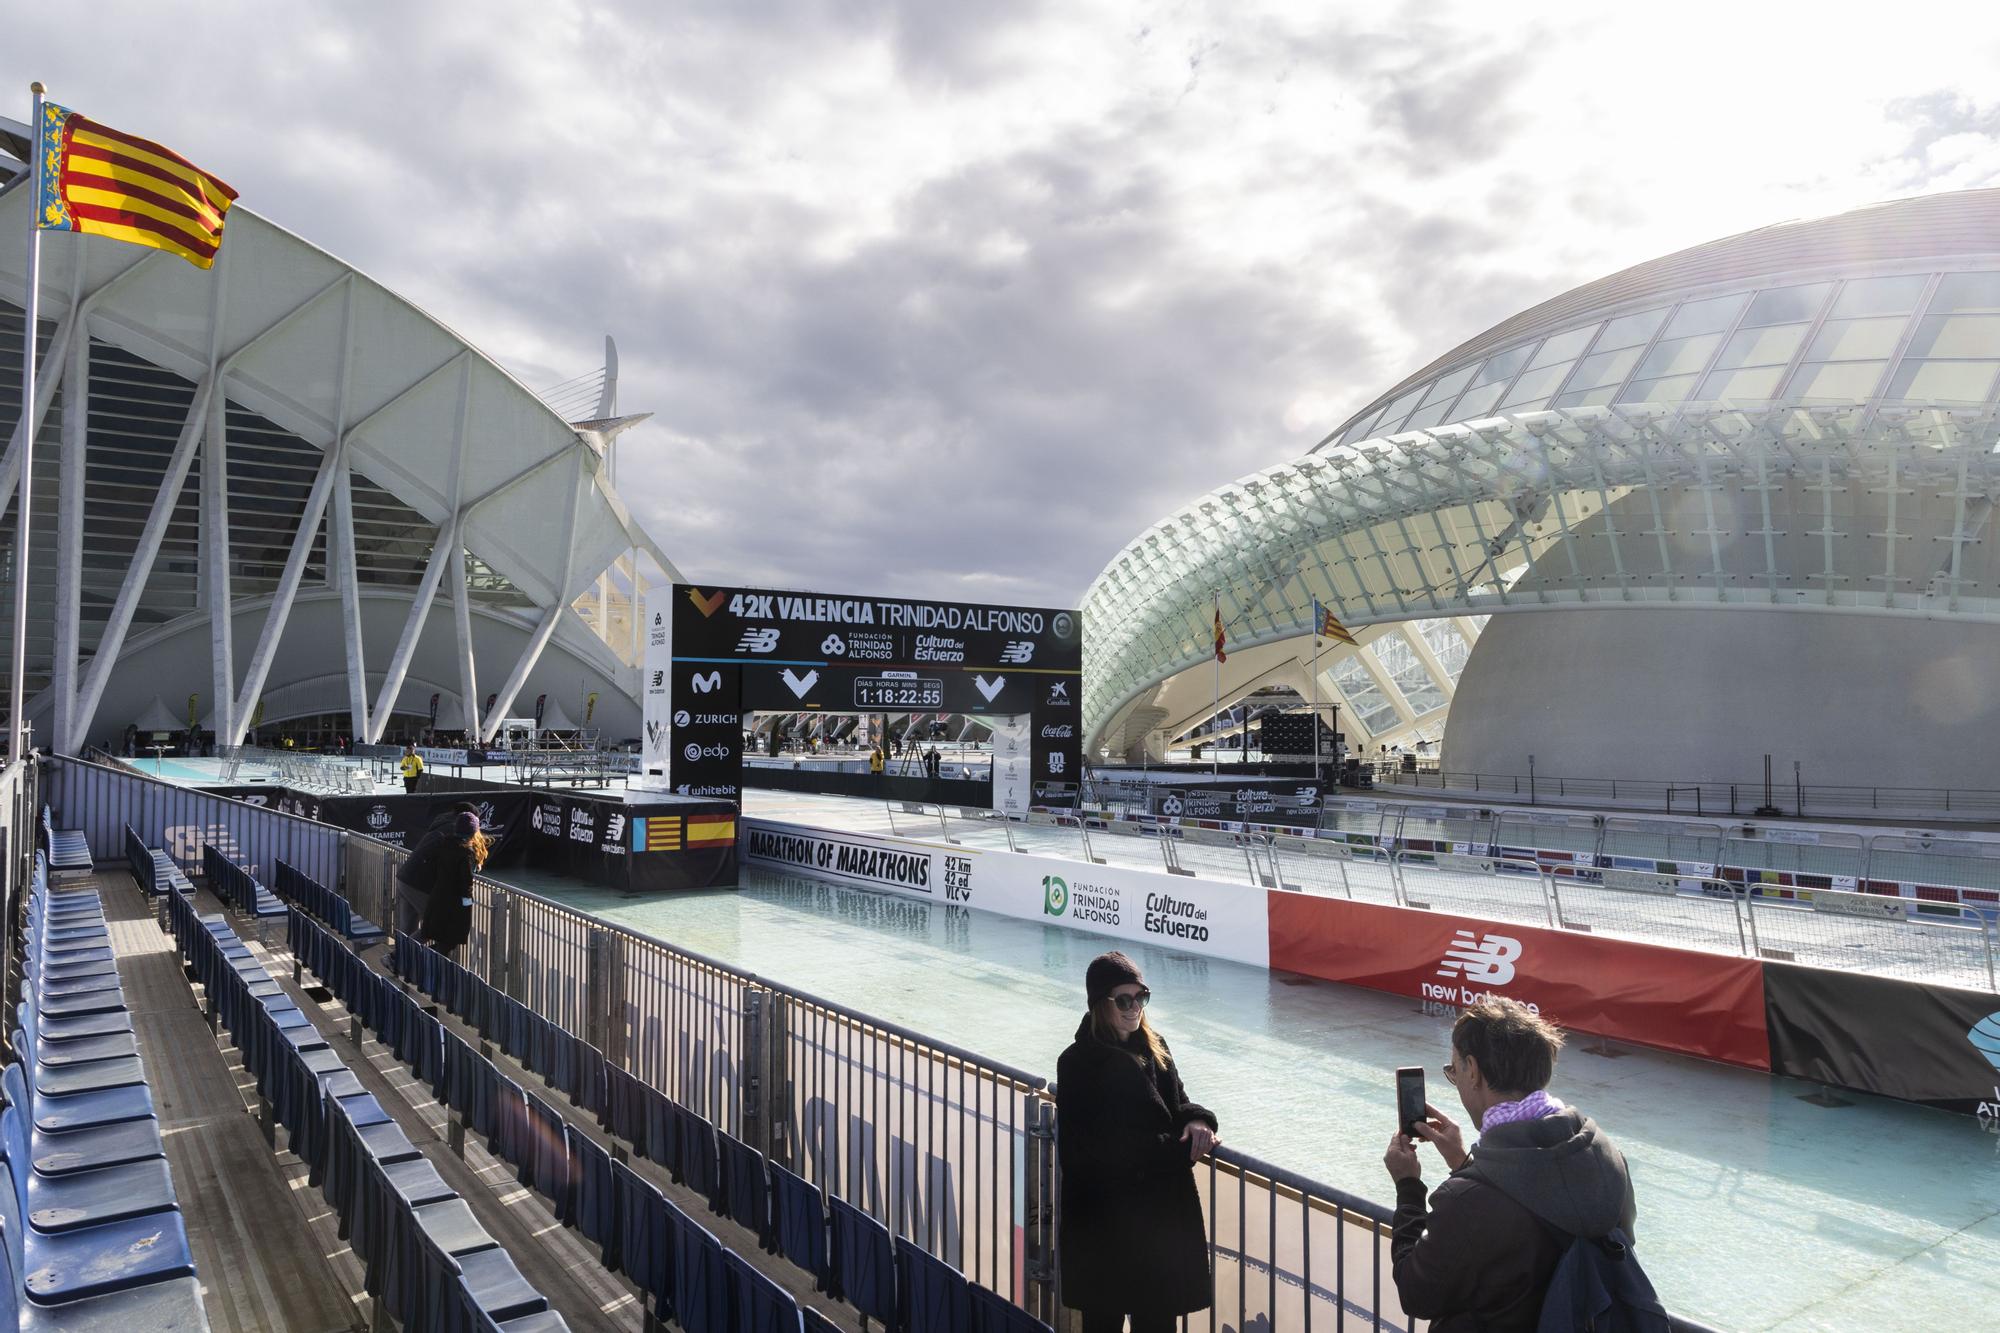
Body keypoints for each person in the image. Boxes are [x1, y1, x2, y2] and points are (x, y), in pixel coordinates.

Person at [1384, 997, 1637, 1332]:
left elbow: (1417, 1294)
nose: (1457, 1081)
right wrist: (1464, 1165)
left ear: (1472, 1071)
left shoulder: (1468, 1200)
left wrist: (1408, 1187)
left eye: (1454, 1070)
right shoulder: (1605, 1154)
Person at [1056, 951, 1219, 1333]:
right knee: (1104, 1323)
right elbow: (1099, 1151)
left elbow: (1177, 1103)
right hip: (1105, 1231)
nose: (1134, 1008)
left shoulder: (1154, 1047)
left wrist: (1198, 1120)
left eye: (1140, 997)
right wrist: (1178, 1151)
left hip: (1156, 1234)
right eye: (1123, 999)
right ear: (1100, 1003)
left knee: (1158, 1323)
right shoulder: (1078, 1063)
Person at [395, 801, 480, 936]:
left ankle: (399, 955)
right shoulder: (454, 831)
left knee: (408, 928)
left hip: (405, 877)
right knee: (438, 925)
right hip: (418, 883)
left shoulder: (441, 824)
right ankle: (395, 956)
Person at [418, 811, 488, 957]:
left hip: (437, 898)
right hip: (453, 906)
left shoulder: (443, 844)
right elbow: (466, 882)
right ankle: (426, 966)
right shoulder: (466, 853)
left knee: (437, 938)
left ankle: (414, 962)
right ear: (473, 832)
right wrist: (467, 903)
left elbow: (430, 864)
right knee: (448, 942)